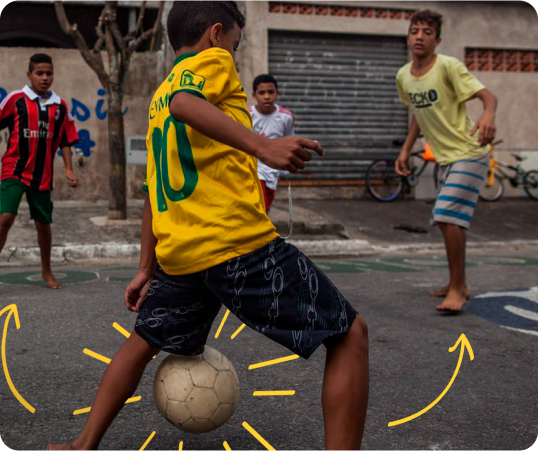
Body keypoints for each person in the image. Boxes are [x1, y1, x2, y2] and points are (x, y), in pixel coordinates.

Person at [47, 1, 368, 450]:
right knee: (349, 335)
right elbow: (187, 103)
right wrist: (263, 147)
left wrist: (146, 266)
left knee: (142, 342)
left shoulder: (161, 94)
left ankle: (82, 445)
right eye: (236, 44)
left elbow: (153, 191)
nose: (233, 55)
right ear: (217, 34)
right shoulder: (208, 64)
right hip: (236, 244)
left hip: (182, 257)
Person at [395, 10, 497, 312]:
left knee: (445, 216)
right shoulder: (403, 76)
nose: (419, 36)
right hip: (445, 158)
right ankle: (459, 282)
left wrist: (488, 114)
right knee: (453, 223)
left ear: (437, 40)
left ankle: (457, 289)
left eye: (427, 32)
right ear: (408, 36)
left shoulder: (449, 66)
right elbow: (417, 114)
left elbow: (488, 97)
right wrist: (405, 150)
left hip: (471, 151)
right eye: (415, 31)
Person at [0, 53, 78, 289]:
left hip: (42, 175)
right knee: (5, 217)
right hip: (14, 169)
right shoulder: (16, 99)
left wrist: (68, 169)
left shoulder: (60, 106)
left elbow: (65, 139)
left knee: (43, 224)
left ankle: (46, 271)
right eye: (39, 73)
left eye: (49, 73)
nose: (44, 78)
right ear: (29, 75)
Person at [249, 74, 294, 213]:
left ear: (277, 93)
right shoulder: (248, 115)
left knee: (265, 209)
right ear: (254, 95)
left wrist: (285, 165)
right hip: (253, 170)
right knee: (258, 208)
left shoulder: (285, 117)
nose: (267, 96)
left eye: (271, 92)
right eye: (262, 93)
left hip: (273, 172)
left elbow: (288, 140)